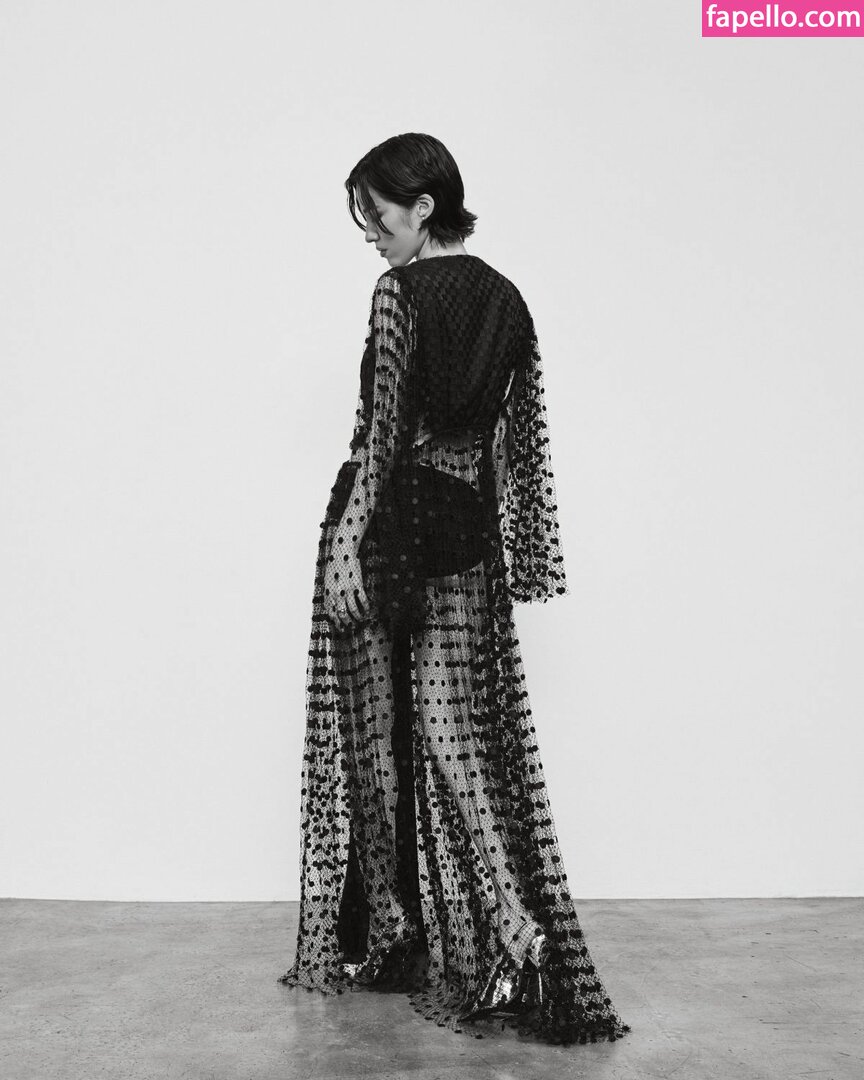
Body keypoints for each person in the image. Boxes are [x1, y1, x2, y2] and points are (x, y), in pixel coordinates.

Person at [277, 132, 631, 1046]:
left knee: (375, 736)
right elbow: (513, 448)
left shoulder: (398, 293)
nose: (370, 234)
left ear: (423, 206)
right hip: (463, 525)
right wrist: (479, 523)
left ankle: (393, 933)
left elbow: (383, 434)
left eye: (377, 215)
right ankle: (515, 925)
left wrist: (347, 544)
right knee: (452, 735)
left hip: (388, 523)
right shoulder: (507, 298)